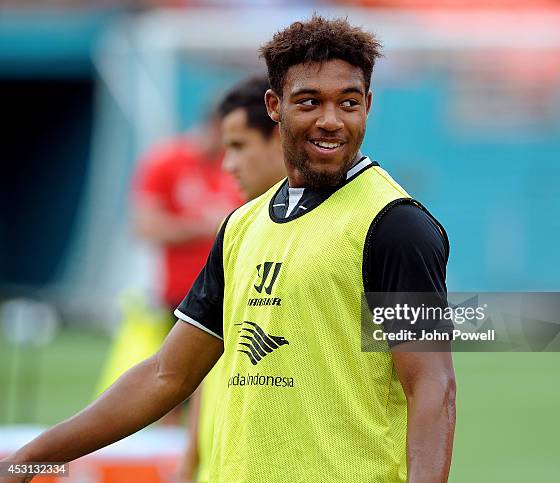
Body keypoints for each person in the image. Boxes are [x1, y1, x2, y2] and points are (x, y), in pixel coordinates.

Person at [1, 15, 455, 483]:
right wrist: (29, 460)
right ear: (274, 106)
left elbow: (432, 385)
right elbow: (166, 376)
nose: (331, 120)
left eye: (349, 102)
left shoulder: (396, 226)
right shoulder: (241, 226)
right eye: (309, 102)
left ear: (369, 105)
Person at [175, 76, 286, 482]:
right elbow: (193, 367)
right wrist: (190, 462)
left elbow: (428, 376)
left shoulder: (390, 221)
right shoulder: (238, 230)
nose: (227, 165)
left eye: (238, 146)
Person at [94, 113, 242, 403]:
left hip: (230, 295)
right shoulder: (167, 161)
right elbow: (144, 225)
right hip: (180, 298)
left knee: (218, 394)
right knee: (169, 388)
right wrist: (206, 226)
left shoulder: (235, 165)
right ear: (215, 126)